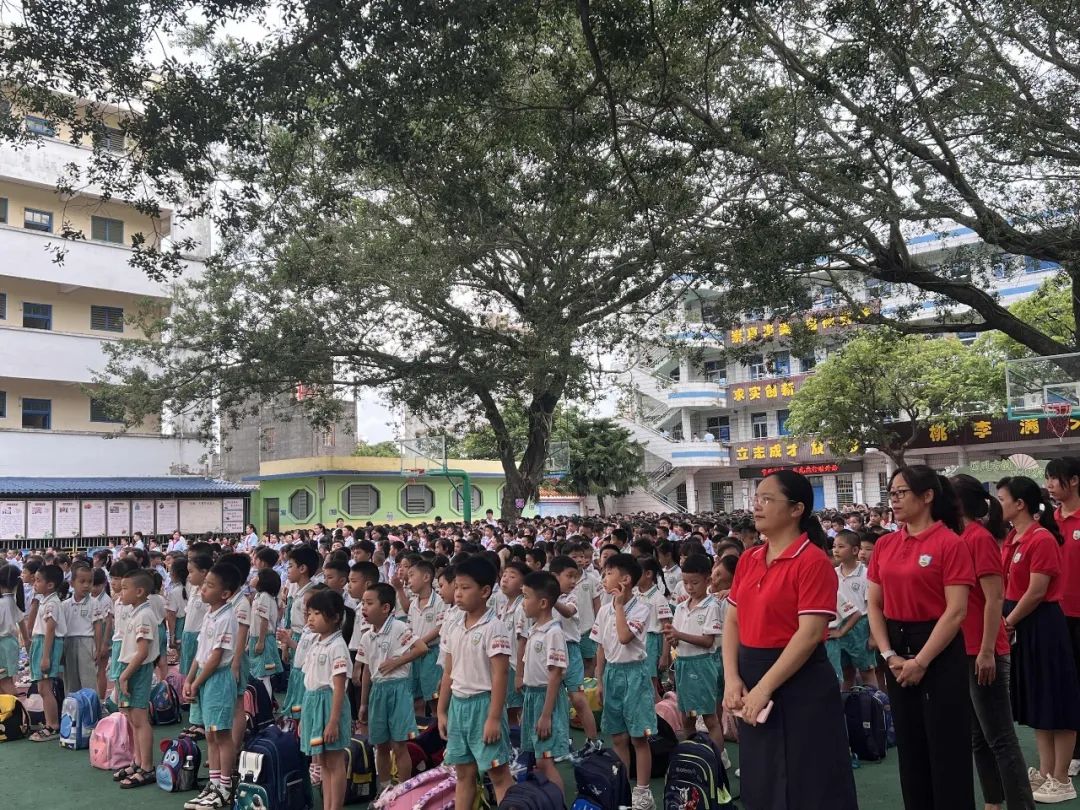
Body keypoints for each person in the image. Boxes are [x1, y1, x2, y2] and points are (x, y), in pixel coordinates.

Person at [724, 470, 857, 810]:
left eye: (767, 499)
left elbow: (810, 633)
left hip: (799, 683)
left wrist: (764, 689)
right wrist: (731, 678)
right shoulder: (750, 558)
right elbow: (732, 619)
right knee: (762, 778)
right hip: (751, 675)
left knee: (808, 781)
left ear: (796, 509)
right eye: (756, 499)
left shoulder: (812, 561)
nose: (757, 506)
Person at [867, 466, 974, 810]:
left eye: (901, 493)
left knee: (946, 745)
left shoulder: (950, 543)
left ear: (927, 496)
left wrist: (921, 661)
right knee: (911, 747)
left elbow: (956, 611)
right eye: (891, 493)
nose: (894, 500)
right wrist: (888, 655)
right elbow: (874, 603)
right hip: (896, 649)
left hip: (937, 647)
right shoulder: (884, 544)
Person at [951, 473, 1034, 810]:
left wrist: (987, 650)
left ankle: (1019, 805)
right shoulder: (959, 538)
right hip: (964, 649)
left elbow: (993, 598)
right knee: (977, 738)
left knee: (999, 738)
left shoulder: (978, 539)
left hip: (983, 650)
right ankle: (993, 802)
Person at [999, 475, 1080, 802]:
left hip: (1043, 624)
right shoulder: (1013, 538)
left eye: (1003, 499)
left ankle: (1062, 778)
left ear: (1020, 504)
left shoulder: (1041, 538)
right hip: (1024, 626)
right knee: (1039, 699)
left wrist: (1008, 622)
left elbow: (1036, 591)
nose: (999, 504)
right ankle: (1047, 772)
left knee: (1056, 698)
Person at [437, 556, 515, 807]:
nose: (458, 593)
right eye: (456, 587)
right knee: (464, 773)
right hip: (458, 706)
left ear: (484, 591)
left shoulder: (495, 627)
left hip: (484, 706)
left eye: (465, 587)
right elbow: (448, 672)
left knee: (498, 774)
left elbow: (500, 675)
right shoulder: (454, 625)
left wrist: (493, 718)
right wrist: (441, 710)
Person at [591, 553, 655, 810]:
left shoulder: (641, 607)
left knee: (639, 737)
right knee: (617, 737)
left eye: (609, 573)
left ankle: (643, 792)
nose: (604, 578)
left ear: (626, 580)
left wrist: (618, 606)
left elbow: (625, 636)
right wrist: (599, 678)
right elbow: (601, 647)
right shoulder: (604, 610)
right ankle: (623, 789)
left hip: (635, 674)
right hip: (612, 674)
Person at [355, 583, 425, 797]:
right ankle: (385, 790)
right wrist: (364, 703)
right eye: (362, 603)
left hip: (398, 691)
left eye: (369, 603)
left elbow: (421, 648)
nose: (363, 608)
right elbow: (367, 671)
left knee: (399, 745)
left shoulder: (398, 628)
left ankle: (403, 791)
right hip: (378, 692)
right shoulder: (367, 636)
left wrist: (396, 662)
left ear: (385, 607)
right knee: (381, 745)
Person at [183, 563, 241, 809]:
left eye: (209, 585)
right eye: (204, 583)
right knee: (210, 734)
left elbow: (216, 656)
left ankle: (225, 787)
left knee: (222, 734)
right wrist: (188, 678)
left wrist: (196, 681)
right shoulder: (209, 615)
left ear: (225, 593)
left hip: (217, 679)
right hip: (204, 679)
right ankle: (214, 784)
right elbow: (201, 651)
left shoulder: (227, 617)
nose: (203, 589)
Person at [663, 553, 724, 750]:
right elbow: (676, 640)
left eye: (694, 582)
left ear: (707, 580)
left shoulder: (712, 606)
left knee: (709, 717)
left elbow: (708, 641)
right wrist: (673, 639)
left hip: (702, 665)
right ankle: (692, 754)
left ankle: (718, 759)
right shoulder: (681, 607)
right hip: (683, 664)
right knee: (687, 717)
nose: (689, 587)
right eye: (686, 582)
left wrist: (678, 634)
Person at [1044, 456, 1080, 778]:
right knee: (1066, 683)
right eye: (1048, 479)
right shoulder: (1049, 522)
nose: (1050, 484)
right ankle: (1073, 751)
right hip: (1057, 614)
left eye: (1055, 478)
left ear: (1074, 480)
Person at [519, 570, 570, 791]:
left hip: (546, 699)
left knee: (544, 761)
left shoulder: (553, 632)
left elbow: (555, 675)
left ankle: (558, 803)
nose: (523, 602)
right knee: (537, 759)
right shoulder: (535, 630)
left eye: (526, 596)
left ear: (542, 603)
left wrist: (546, 715)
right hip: (533, 696)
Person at [550, 555, 603, 760]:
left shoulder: (569, 598)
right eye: (569, 576)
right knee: (554, 699)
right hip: (550, 653)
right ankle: (562, 742)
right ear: (554, 576)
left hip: (570, 651)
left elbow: (568, 611)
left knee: (578, 698)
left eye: (575, 577)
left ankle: (593, 740)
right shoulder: (544, 600)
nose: (573, 581)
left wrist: (550, 597)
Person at [114, 569, 159, 787]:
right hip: (128, 667)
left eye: (125, 588)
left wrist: (124, 675)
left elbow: (142, 652)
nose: (120, 592)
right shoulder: (135, 611)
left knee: (140, 719)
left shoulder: (144, 615)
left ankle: (147, 767)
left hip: (136, 670)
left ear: (140, 591)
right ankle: (138, 761)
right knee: (132, 719)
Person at [832, 530, 877, 690]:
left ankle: (875, 706)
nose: (835, 550)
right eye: (834, 546)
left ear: (855, 550)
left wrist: (873, 636)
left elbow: (872, 607)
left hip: (861, 628)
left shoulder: (866, 574)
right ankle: (849, 706)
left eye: (841, 546)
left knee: (866, 670)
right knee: (846, 671)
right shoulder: (833, 573)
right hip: (841, 625)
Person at [28, 563, 67, 742]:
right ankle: (50, 722)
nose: (34, 584)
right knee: (42, 687)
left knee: (45, 688)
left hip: (47, 643)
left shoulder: (52, 603)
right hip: (40, 641)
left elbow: (50, 629)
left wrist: (45, 656)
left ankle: (53, 726)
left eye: (38, 580)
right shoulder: (45, 600)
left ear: (50, 585)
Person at [62, 563, 97, 695]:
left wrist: (98, 648)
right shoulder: (64, 605)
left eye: (90, 582)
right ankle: (72, 711)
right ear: (72, 583)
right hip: (69, 642)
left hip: (87, 641)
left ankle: (91, 709)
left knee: (88, 680)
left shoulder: (94, 603)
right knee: (70, 681)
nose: (86, 585)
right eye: (82, 582)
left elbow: (98, 627)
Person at [249, 569, 284, 694]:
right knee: (260, 675)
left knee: (263, 676)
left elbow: (264, 620)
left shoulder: (264, 596)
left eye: (257, 576)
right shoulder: (260, 596)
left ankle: (266, 707)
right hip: (257, 638)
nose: (253, 577)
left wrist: (260, 641)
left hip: (263, 638)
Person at [0, 564, 25, 695]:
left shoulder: (2, 602)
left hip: (2, 646)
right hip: (11, 645)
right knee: (5, 681)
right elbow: (22, 623)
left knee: (5, 682)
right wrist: (27, 641)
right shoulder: (12, 602)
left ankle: (17, 711)